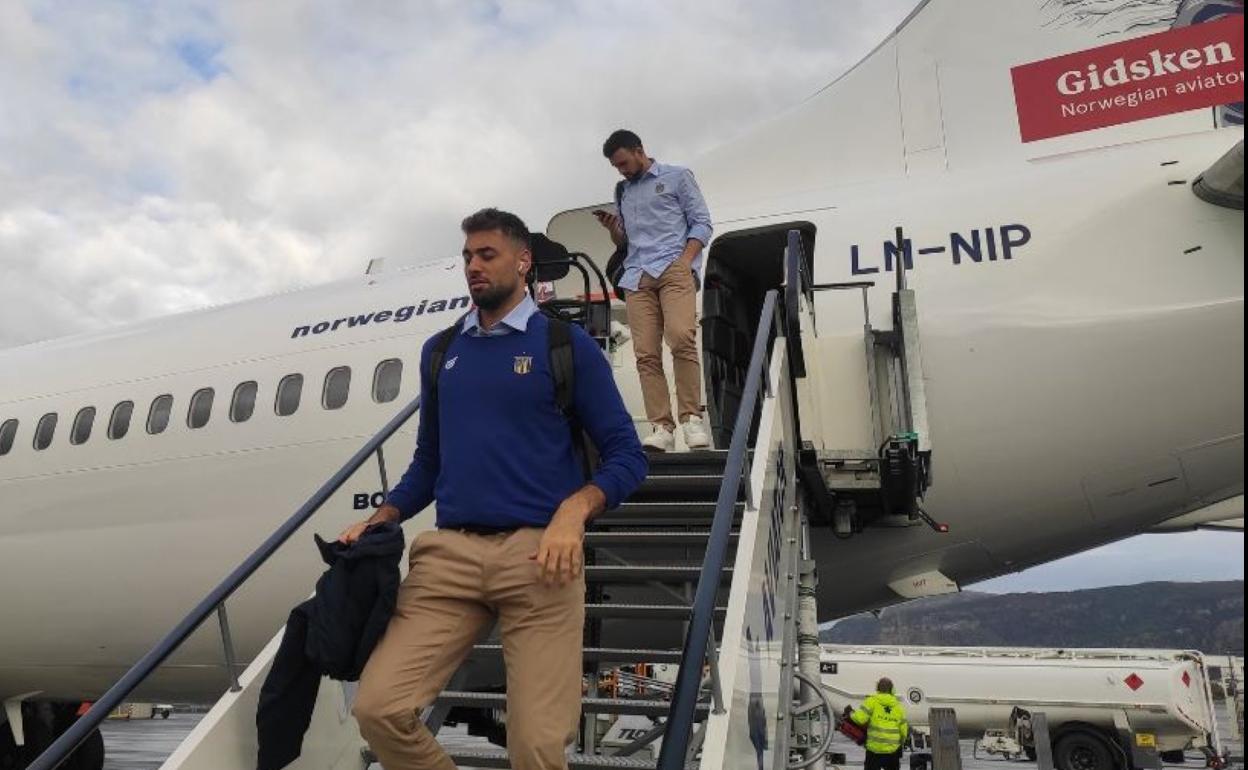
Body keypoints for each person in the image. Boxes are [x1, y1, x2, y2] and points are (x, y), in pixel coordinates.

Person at [345, 208, 648, 770]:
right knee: (379, 709)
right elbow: (428, 462)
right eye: (467, 257)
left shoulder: (566, 345)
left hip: (540, 559)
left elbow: (628, 457)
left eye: (487, 255)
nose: (474, 267)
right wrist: (382, 516)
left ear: (523, 261)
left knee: (535, 749)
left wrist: (573, 512)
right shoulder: (440, 353)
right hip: (449, 558)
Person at [595, 129, 713, 453]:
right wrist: (613, 231)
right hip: (636, 275)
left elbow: (702, 222)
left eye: (623, 163)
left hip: (673, 267)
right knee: (645, 353)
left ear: (639, 150)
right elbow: (625, 242)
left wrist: (685, 261)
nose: (621, 170)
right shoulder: (622, 191)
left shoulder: (678, 177)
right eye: (616, 167)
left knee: (681, 336)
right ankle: (661, 425)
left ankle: (691, 418)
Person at [850, 677, 910, 770]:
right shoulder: (898, 706)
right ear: (892, 690)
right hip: (892, 751)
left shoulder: (871, 701)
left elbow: (860, 719)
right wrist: (900, 743)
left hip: (874, 750)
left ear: (877, 688)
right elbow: (903, 731)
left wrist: (851, 714)